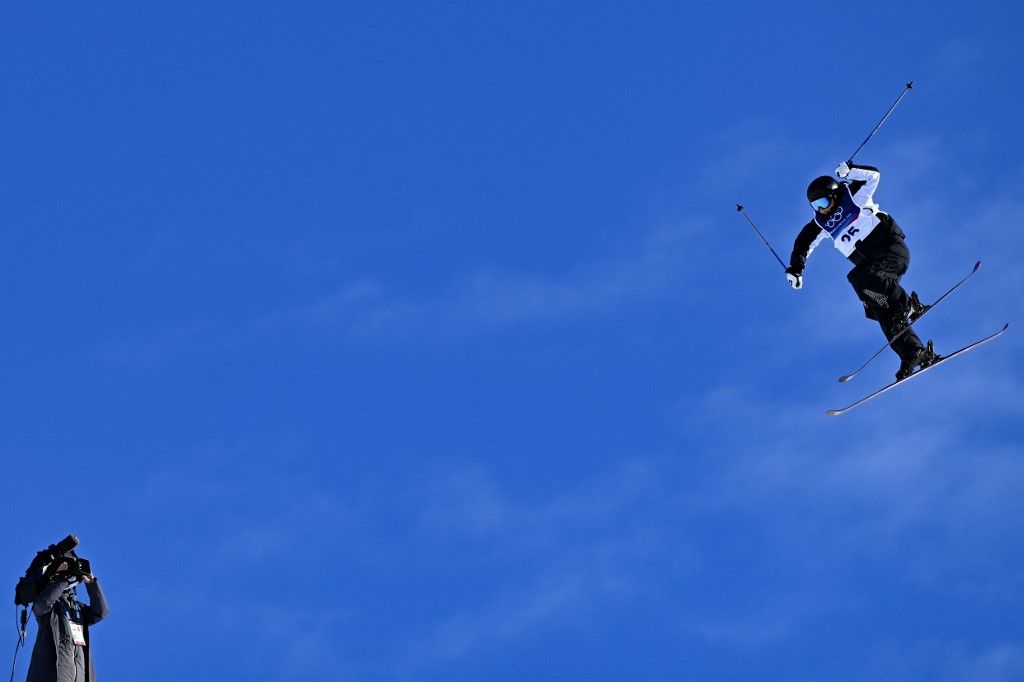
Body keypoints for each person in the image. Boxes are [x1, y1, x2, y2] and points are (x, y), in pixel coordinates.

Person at [785, 161, 941, 380]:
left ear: (834, 194)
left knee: (859, 277)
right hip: (874, 273)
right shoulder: (822, 223)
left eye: (822, 202)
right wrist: (796, 268)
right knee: (880, 309)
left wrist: (850, 170)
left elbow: (873, 176)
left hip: (891, 251)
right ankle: (914, 352)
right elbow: (803, 242)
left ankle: (909, 305)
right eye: (815, 206)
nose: (821, 209)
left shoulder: (854, 196)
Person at [25, 562, 108, 682]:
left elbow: (100, 612)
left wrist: (91, 582)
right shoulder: (50, 609)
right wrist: (62, 578)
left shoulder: (77, 608)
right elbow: (44, 603)